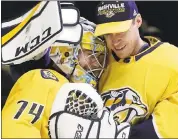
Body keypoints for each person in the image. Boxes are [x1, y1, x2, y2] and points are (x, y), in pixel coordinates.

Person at [2, 8, 107, 139]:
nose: (94, 64)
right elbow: (15, 128)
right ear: (68, 46)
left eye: (99, 60)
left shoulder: (71, 91)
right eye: (89, 54)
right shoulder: (42, 79)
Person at [93, 1, 178, 138]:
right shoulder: (97, 60)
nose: (114, 41)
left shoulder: (172, 60)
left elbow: (167, 127)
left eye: (121, 31)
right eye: (108, 34)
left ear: (138, 21)